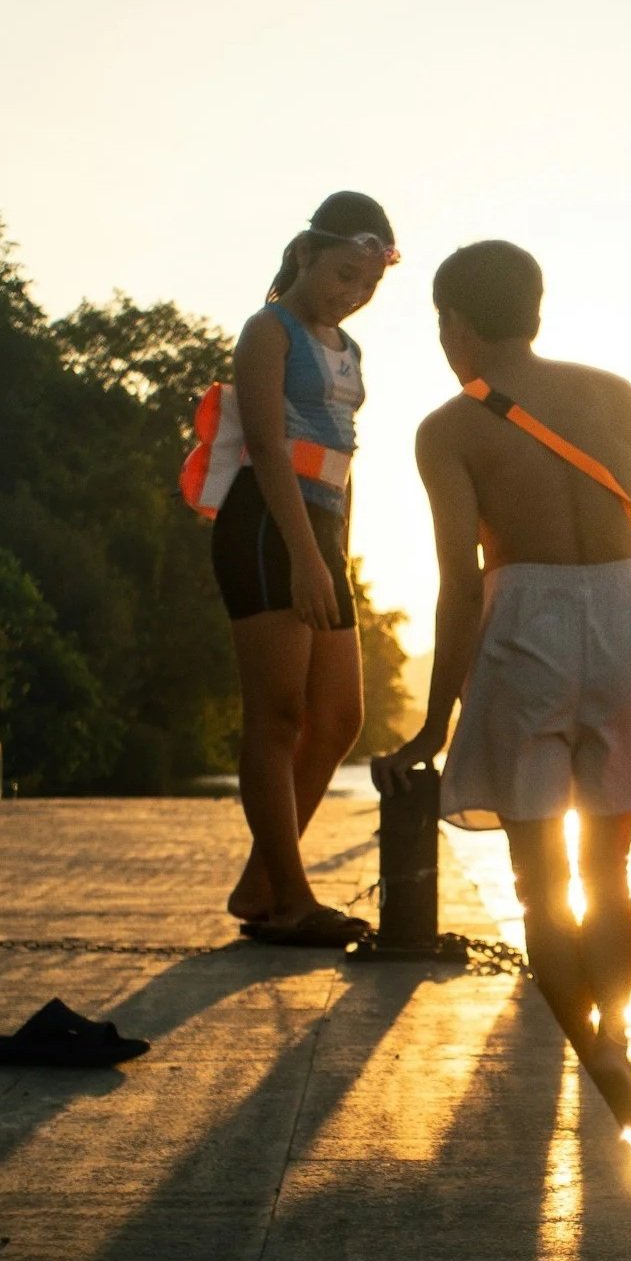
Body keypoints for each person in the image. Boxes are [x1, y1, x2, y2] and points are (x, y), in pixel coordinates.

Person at [373, 239, 631, 1095]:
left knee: (541, 882)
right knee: (607, 871)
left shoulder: (448, 430)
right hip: (627, 619)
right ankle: (614, 1044)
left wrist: (435, 722)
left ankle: (576, 1056)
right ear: (535, 310)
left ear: (455, 324)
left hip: (525, 623)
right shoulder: (617, 395)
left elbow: (460, 585)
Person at [208, 191, 398, 945]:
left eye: (368, 286)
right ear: (306, 252)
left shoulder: (348, 351)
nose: (352, 295)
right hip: (267, 524)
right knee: (280, 715)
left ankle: (262, 882)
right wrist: (304, 557)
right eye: (344, 274)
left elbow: (342, 460)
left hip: (324, 531)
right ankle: (289, 897)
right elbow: (267, 443)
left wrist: (335, 553)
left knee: (342, 717)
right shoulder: (268, 330)